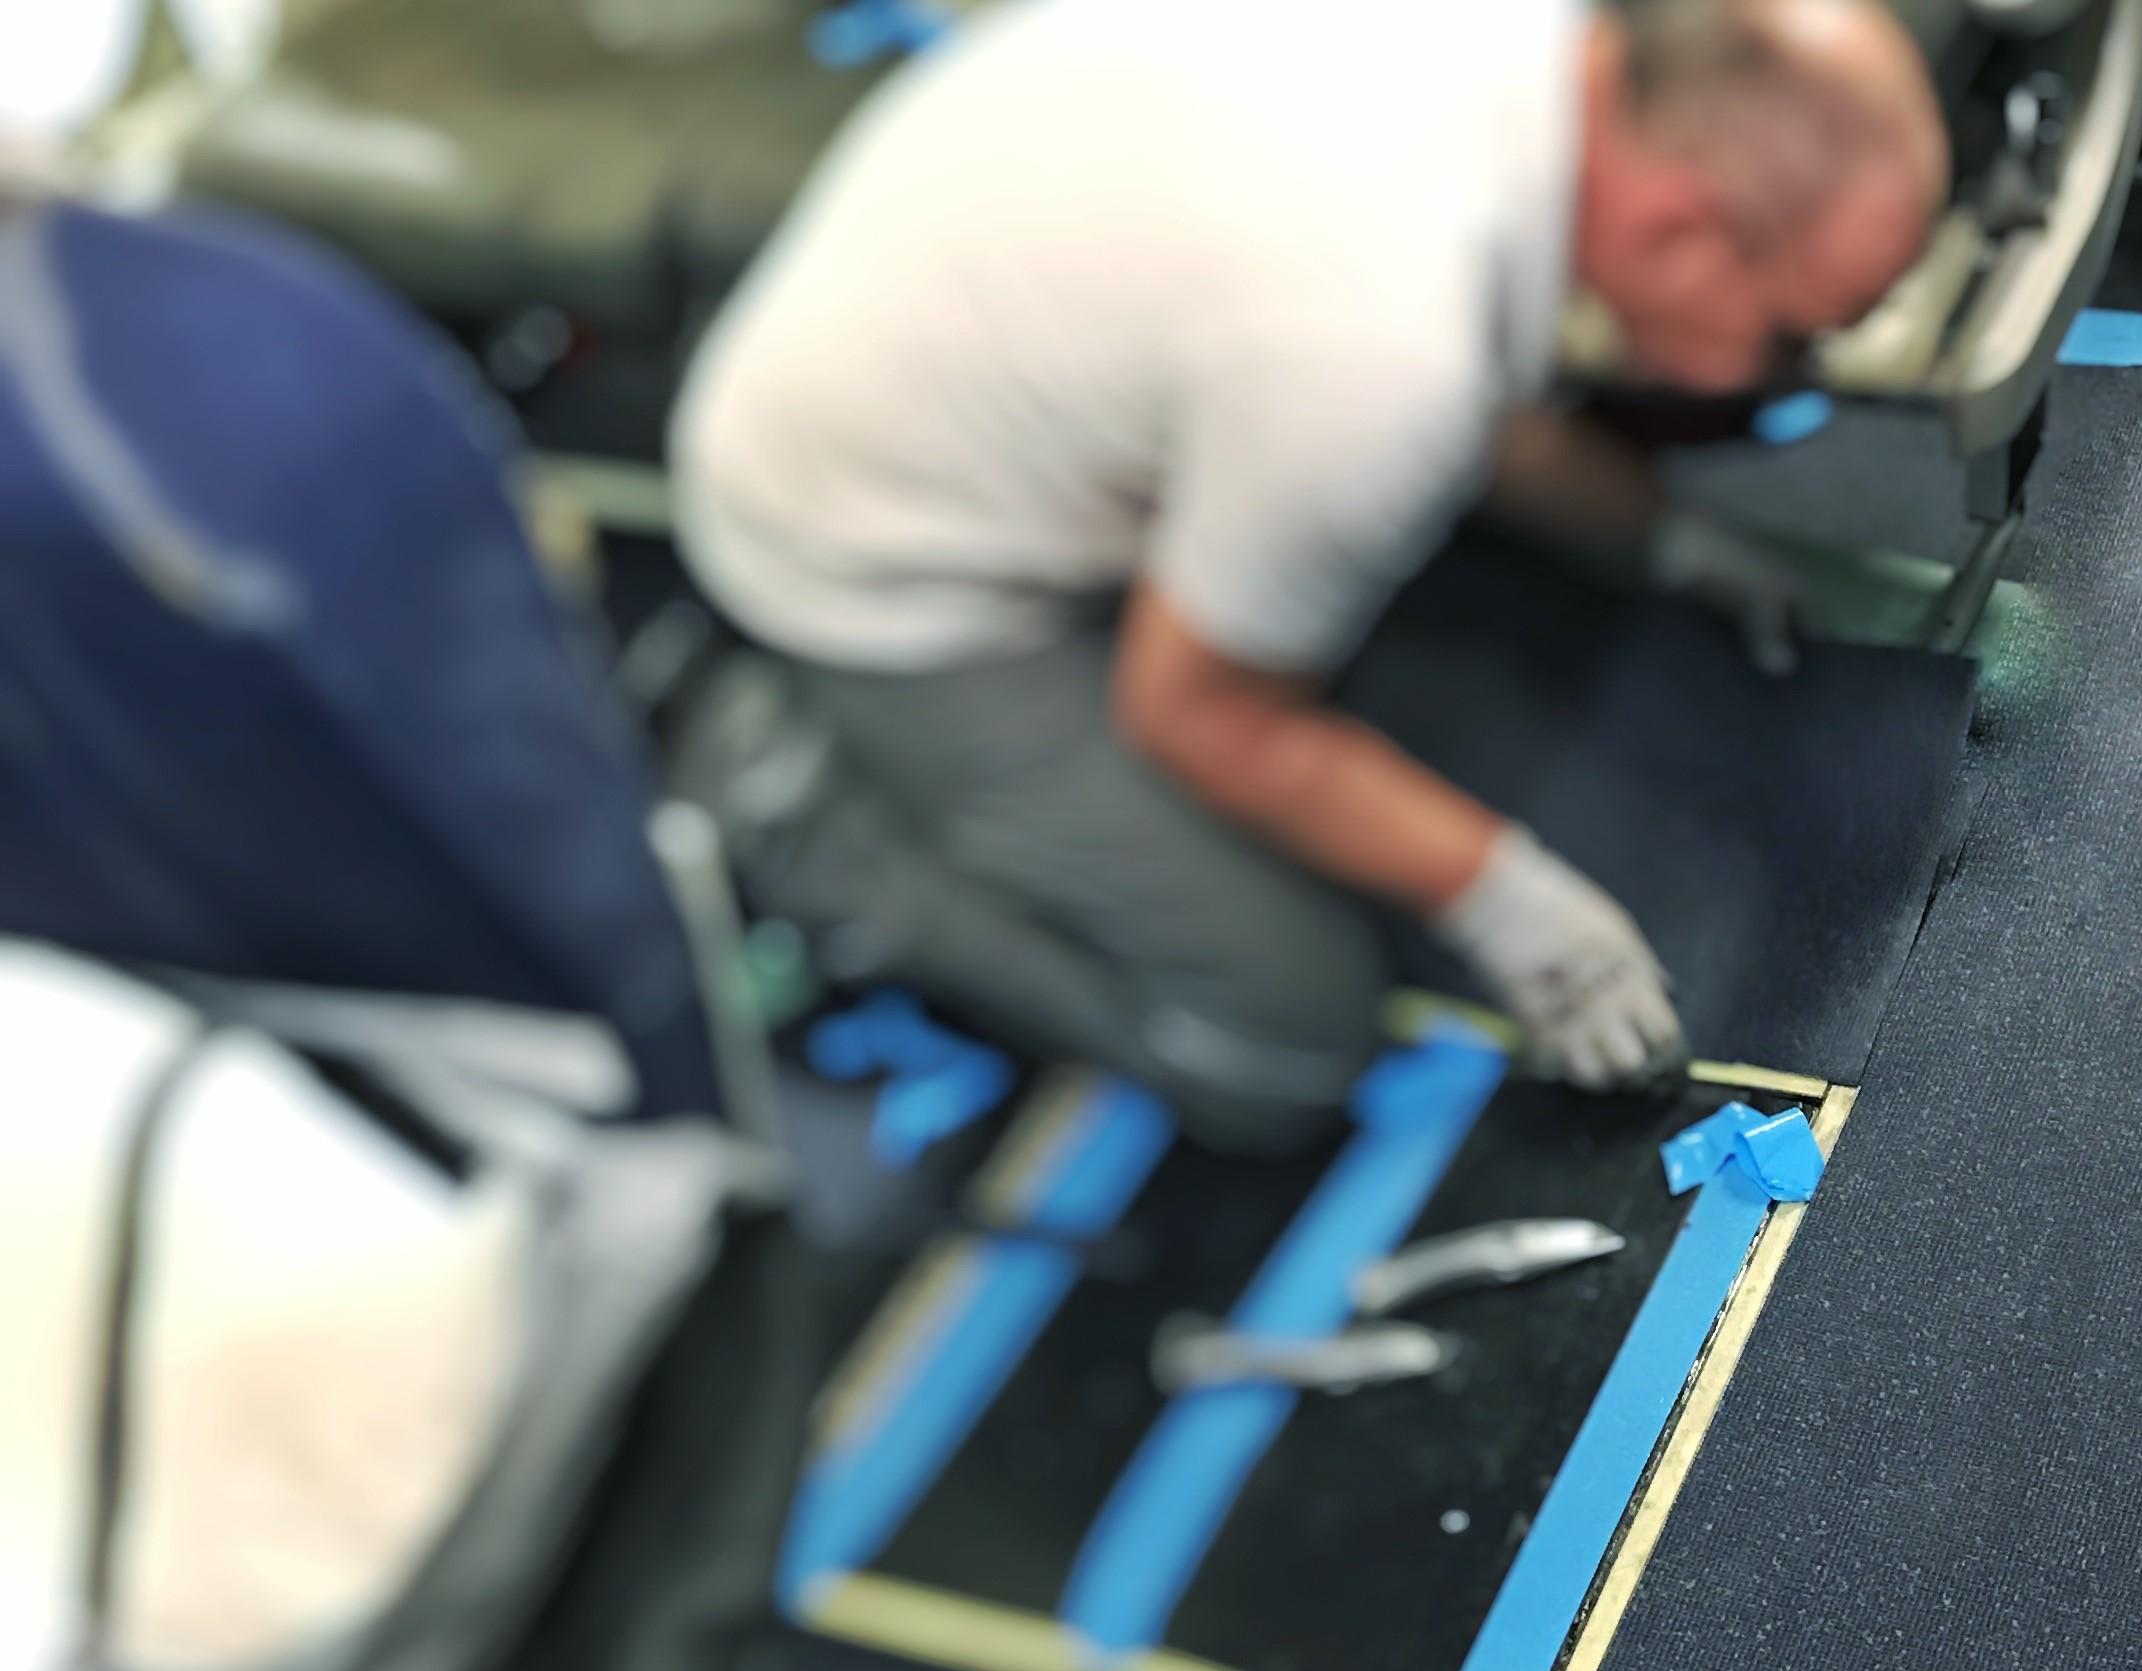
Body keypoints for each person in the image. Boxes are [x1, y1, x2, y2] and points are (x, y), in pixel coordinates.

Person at [670, 0, 1946, 1150]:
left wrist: (1655, 535)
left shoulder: (1523, 55)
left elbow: (1459, 380)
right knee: (1286, 1041)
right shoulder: (1378, 348)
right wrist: (1522, 916)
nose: (1792, 379)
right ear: (1677, 234)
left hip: (952, 304)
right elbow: (1195, 712)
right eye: (1792, 338)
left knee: (1376, 543)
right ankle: (795, 809)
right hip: (859, 547)